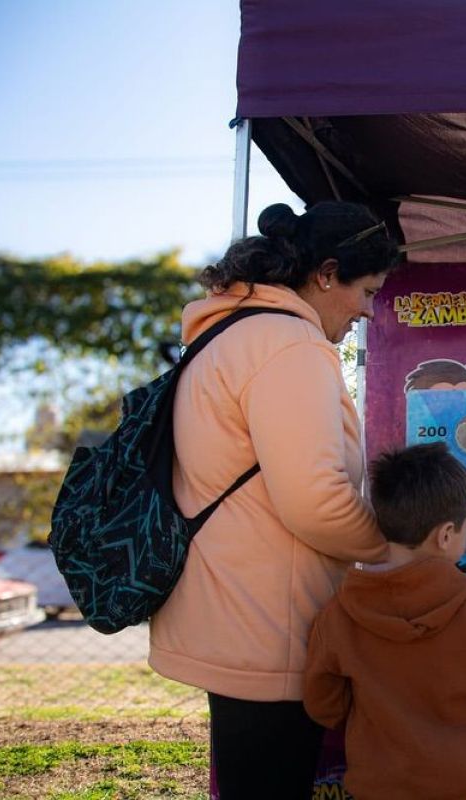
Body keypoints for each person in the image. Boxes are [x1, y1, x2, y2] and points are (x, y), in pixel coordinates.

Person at [147, 201, 400, 799]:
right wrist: (397, 546)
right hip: (270, 630)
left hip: (234, 616)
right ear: (326, 273)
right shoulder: (290, 345)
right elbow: (316, 501)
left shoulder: (233, 333)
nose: (367, 311)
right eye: (366, 291)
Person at [303, 442, 466, 800]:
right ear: (444, 536)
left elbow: (323, 704)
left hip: (381, 785)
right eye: (465, 529)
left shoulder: (338, 613)